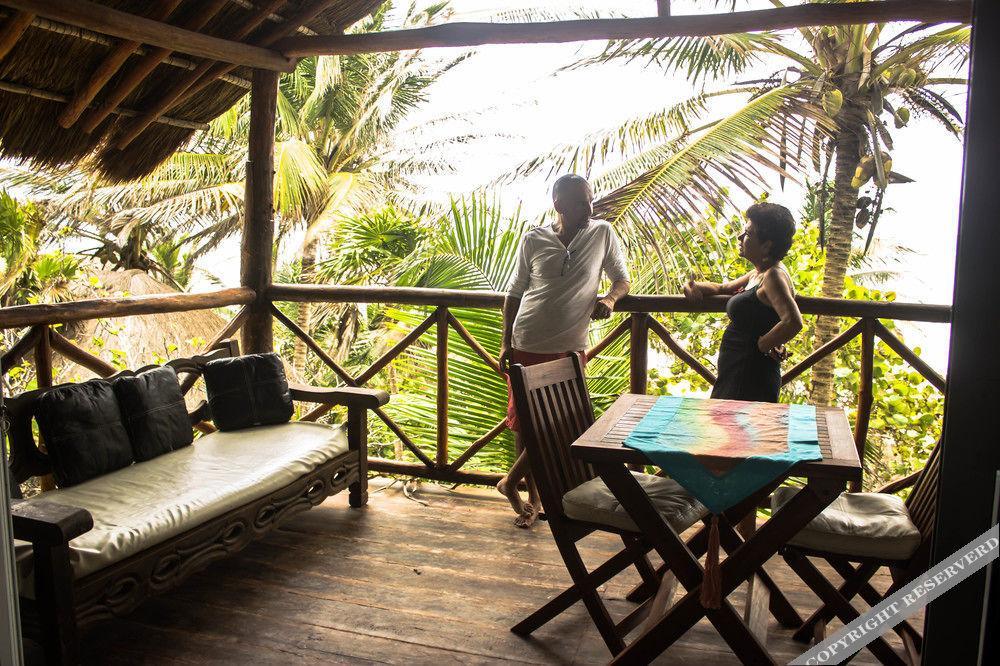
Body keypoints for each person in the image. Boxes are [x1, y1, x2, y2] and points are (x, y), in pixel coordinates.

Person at [497, 174, 631, 527]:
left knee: (559, 423)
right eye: (582, 201)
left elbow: (622, 277)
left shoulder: (602, 233)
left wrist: (611, 299)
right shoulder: (534, 238)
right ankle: (533, 500)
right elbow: (515, 292)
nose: (591, 206)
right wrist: (505, 343)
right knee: (524, 424)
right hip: (527, 340)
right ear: (559, 204)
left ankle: (510, 483)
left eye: (591, 198)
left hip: (569, 347)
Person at [683, 202, 803, 402]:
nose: (740, 238)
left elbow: (793, 321)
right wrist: (692, 286)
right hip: (738, 369)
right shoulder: (759, 273)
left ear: (767, 245)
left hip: (749, 374)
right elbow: (722, 288)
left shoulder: (773, 276)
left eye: (747, 234)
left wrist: (763, 345)